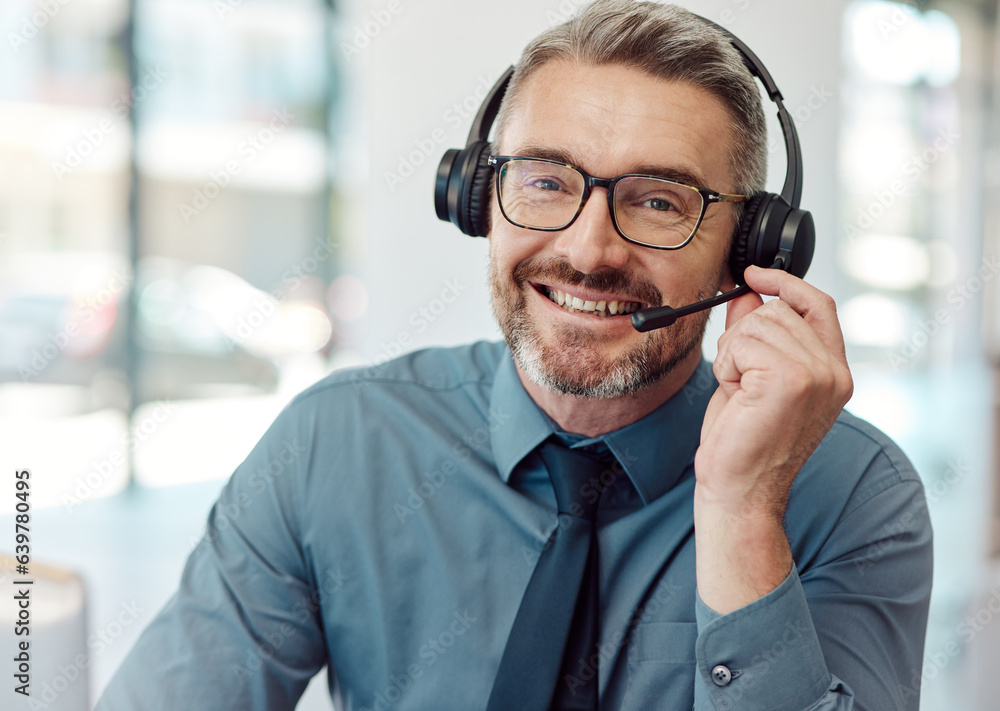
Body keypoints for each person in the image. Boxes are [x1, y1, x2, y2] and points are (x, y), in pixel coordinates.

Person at [97, 1, 932, 709]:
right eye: (544, 181)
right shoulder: (335, 443)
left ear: (752, 248)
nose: (590, 249)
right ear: (476, 200)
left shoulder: (856, 492)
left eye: (657, 201)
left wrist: (745, 514)